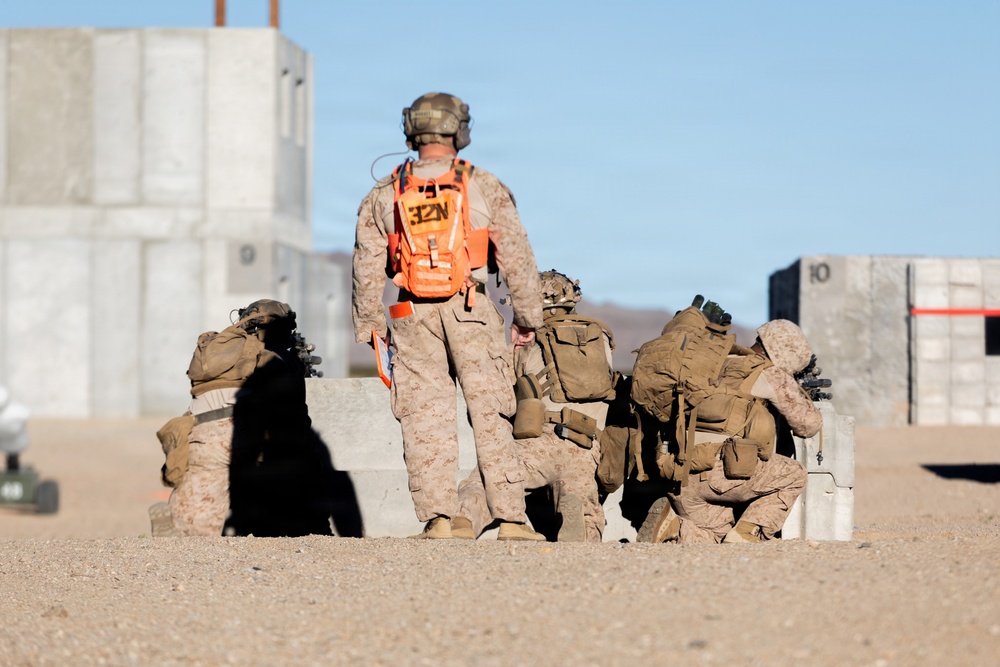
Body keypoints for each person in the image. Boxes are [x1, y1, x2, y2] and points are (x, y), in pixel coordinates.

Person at [352, 92, 545, 540]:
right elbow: (516, 256)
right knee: (493, 413)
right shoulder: (483, 184)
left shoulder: (384, 192)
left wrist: (370, 324)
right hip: (471, 307)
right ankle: (512, 520)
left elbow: (366, 264)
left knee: (424, 417)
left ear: (411, 130)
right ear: (459, 130)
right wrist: (527, 318)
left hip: (409, 313)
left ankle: (439, 520)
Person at [456, 271, 617, 542]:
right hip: (587, 446)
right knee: (584, 507)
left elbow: (495, 399)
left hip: (539, 442)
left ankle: (462, 522)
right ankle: (581, 526)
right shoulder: (600, 339)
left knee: (488, 481)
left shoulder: (528, 342)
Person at [637, 319, 822, 544]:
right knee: (794, 474)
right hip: (724, 474)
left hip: (680, 475)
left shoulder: (711, 364)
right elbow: (808, 425)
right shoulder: (770, 374)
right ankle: (748, 534)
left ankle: (675, 528)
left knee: (717, 539)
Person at [149, 299, 323, 537]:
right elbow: (297, 418)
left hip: (203, 436)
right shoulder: (279, 357)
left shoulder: (217, 350)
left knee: (194, 522)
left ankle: (179, 529)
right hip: (252, 433)